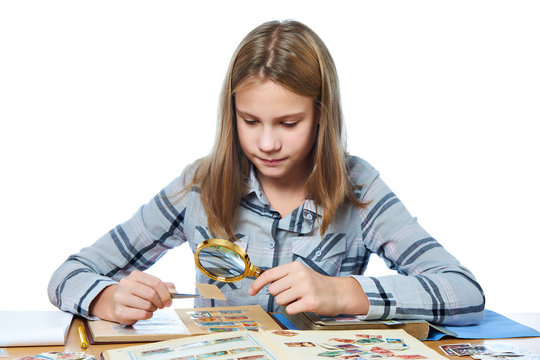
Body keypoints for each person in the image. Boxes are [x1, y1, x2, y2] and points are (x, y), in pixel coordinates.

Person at [48, 20, 485, 326]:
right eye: (250, 121)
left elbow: (464, 292)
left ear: (321, 116)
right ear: (231, 114)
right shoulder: (200, 184)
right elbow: (68, 275)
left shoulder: (359, 188)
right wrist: (108, 298)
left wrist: (343, 293)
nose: (267, 144)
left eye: (289, 123)